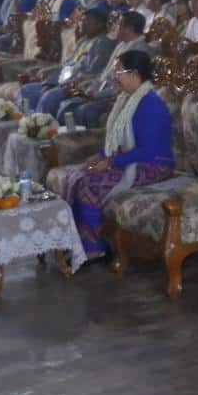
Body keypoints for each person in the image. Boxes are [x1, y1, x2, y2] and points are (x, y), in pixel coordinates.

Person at [55, 50, 173, 260]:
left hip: (154, 165)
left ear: (135, 73)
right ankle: (72, 242)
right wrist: (101, 155)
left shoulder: (151, 104)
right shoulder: (127, 100)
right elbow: (118, 139)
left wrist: (111, 162)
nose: (115, 77)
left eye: (119, 71)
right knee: (75, 174)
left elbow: (146, 150)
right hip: (131, 160)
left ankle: (93, 247)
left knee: (89, 184)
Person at [55, 10, 149, 128]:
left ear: (128, 29)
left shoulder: (139, 49)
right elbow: (106, 73)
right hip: (100, 88)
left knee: (82, 110)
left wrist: (96, 95)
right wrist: (90, 88)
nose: (114, 27)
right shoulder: (122, 44)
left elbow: (124, 84)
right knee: (66, 105)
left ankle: (84, 144)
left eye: (118, 24)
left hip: (116, 95)